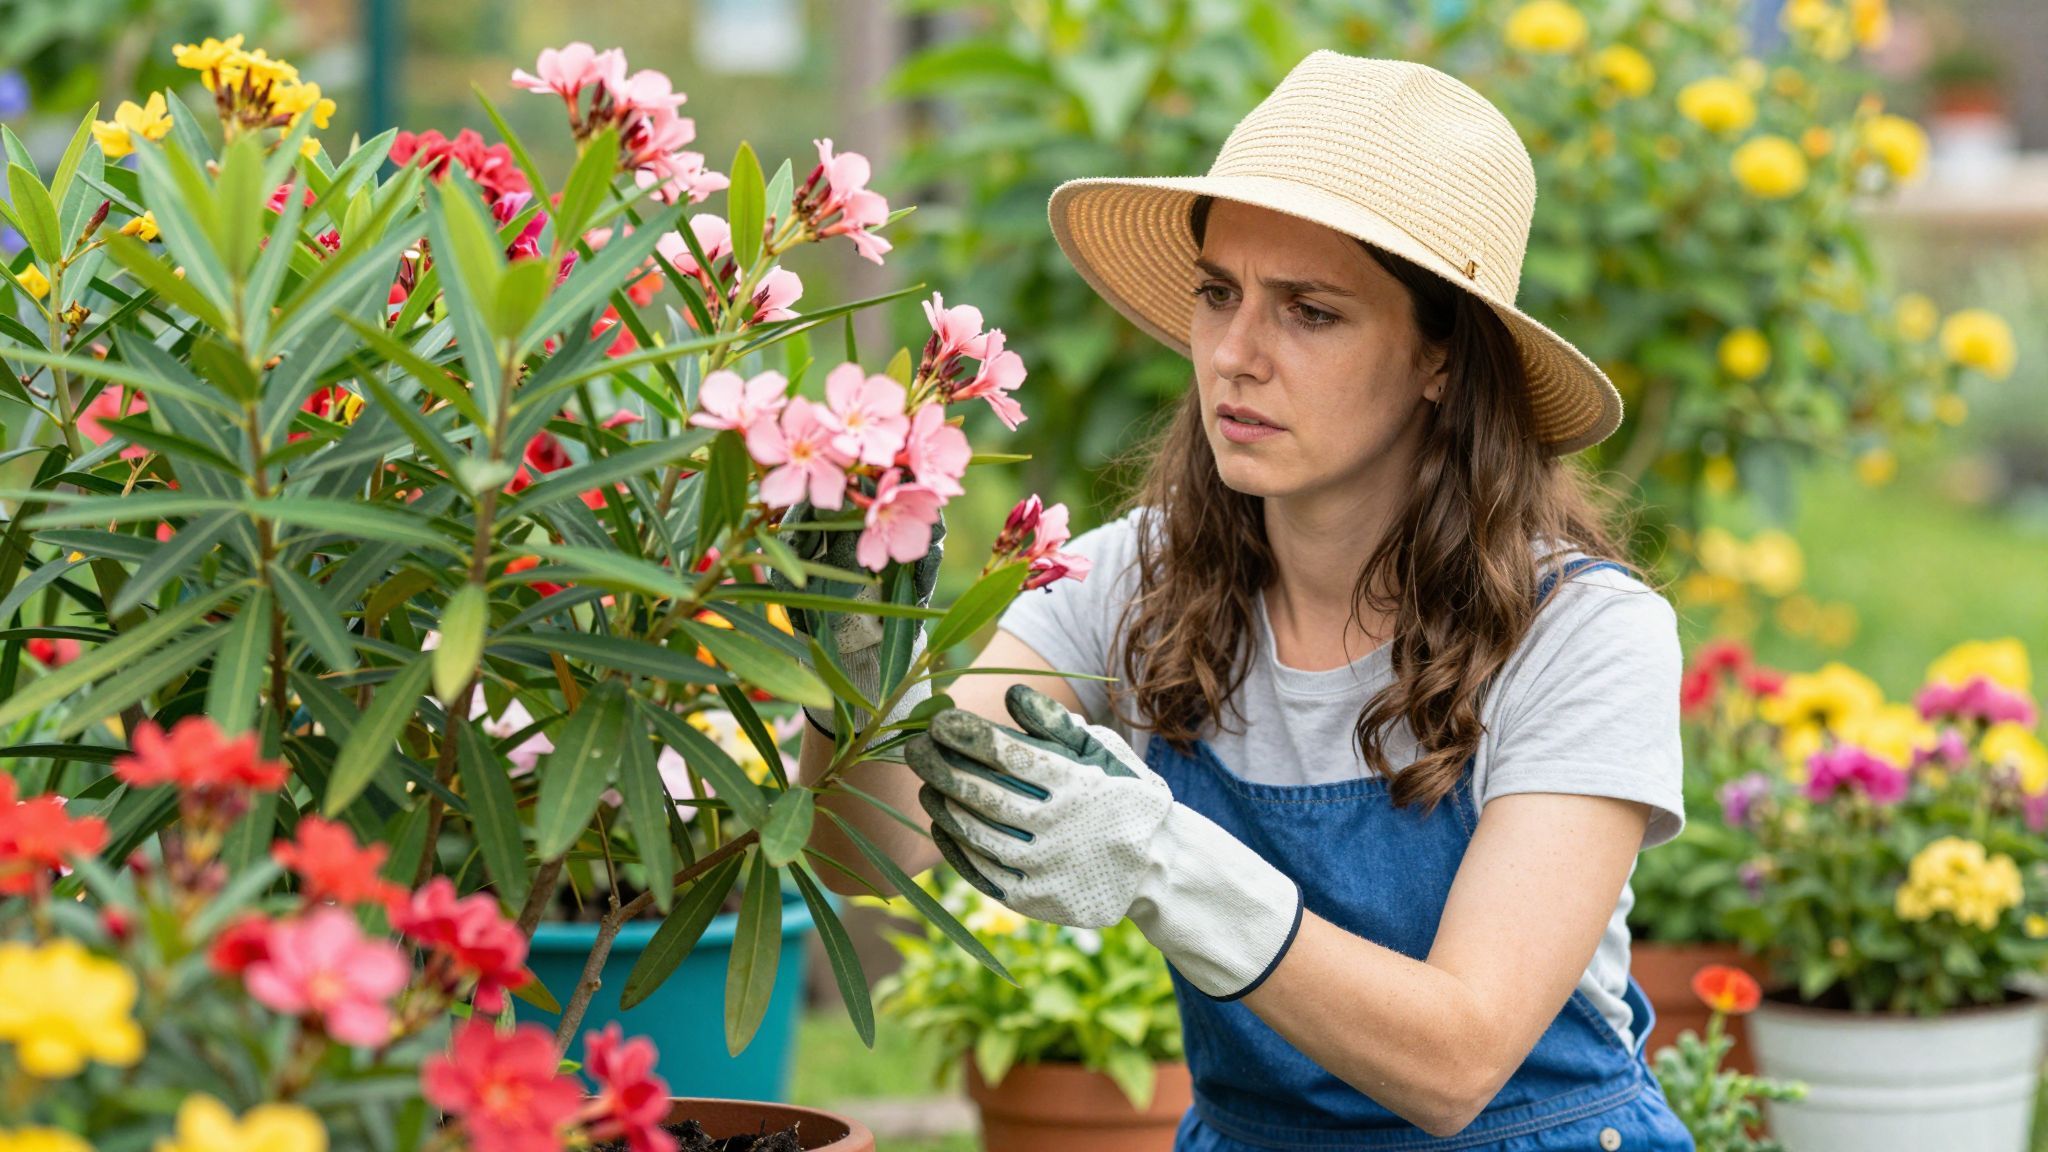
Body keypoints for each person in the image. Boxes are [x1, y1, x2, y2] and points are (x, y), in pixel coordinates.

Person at [795, 51, 1694, 1151]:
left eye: (1309, 312)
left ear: (1441, 360)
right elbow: (869, 853)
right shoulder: (1138, 580)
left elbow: (1458, 1060)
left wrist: (1160, 863)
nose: (1232, 355)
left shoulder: (1583, 635)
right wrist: (851, 667)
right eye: (1217, 294)